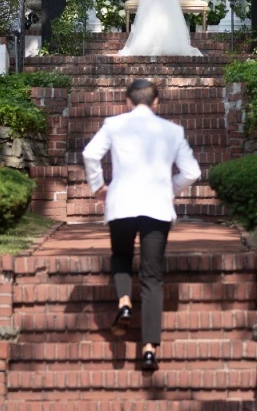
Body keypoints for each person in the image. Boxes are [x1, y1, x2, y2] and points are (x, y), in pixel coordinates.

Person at [82, 78, 201, 372]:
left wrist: (98, 186)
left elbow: (89, 154)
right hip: (156, 208)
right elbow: (192, 172)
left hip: (122, 203)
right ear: (156, 102)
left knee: (121, 256)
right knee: (152, 277)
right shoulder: (172, 131)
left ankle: (124, 302)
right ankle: (149, 350)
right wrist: (170, 188)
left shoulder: (114, 124)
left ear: (127, 101)